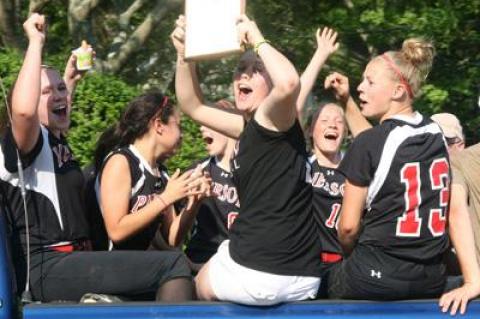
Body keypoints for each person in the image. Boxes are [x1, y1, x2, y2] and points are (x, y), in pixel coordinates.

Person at [0, 13, 193, 302]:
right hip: (44, 267)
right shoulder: (25, 144)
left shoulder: (52, 142)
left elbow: (54, 116)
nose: (58, 95)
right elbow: (27, 113)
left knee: (183, 265)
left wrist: (69, 82)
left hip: (71, 261)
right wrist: (35, 43)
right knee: (173, 265)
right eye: (45, 91)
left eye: (60, 90)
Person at [172, 14, 322, 305]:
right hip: (304, 274)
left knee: (199, 281)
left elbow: (290, 82)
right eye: (240, 69)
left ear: (271, 82)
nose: (243, 75)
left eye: (256, 70)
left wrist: (255, 34)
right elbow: (192, 104)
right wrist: (183, 54)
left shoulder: (273, 117)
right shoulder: (251, 127)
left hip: (262, 272)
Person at [324, 38, 480, 314]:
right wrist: (472, 281)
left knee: (319, 279)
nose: (360, 87)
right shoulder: (435, 135)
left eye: (370, 82)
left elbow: (347, 229)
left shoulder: (368, 144)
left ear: (397, 91)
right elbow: (456, 212)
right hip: (429, 279)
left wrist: (353, 258)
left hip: (372, 277)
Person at [95, 92, 211, 251]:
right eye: (178, 125)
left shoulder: (161, 172)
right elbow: (116, 230)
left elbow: (172, 238)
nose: (182, 134)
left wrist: (194, 202)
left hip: (148, 266)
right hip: (118, 267)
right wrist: (165, 198)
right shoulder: (121, 162)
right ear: (158, 125)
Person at [185, 100, 239, 271]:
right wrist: (192, 202)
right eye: (202, 124)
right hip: (201, 259)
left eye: (209, 123)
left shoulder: (255, 172)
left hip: (242, 263)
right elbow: (169, 231)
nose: (202, 128)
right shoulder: (197, 172)